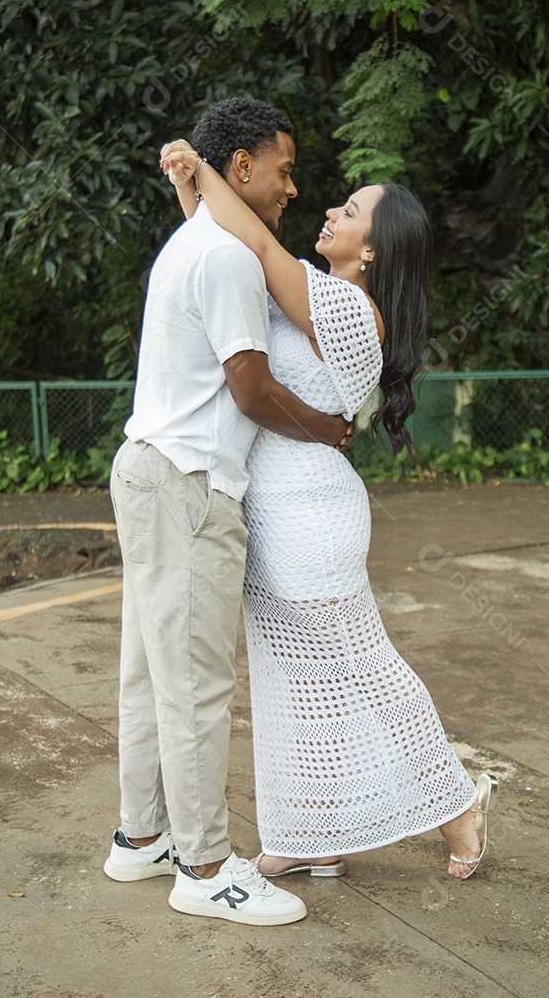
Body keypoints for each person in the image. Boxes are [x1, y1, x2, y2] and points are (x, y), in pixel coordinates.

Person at [159, 134, 498, 882]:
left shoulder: (349, 309)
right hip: (273, 510)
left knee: (363, 667)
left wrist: (205, 163)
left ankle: (459, 807)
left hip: (311, 516)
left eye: (349, 212)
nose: (330, 213)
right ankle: (308, 832)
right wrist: (190, 186)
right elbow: (225, 248)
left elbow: (248, 232)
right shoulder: (311, 287)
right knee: (291, 682)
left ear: (371, 253)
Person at [104, 98, 353, 928]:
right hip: (186, 487)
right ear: (238, 168)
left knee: (151, 676)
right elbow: (249, 388)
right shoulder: (229, 259)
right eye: (282, 169)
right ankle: (205, 866)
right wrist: (326, 430)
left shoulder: (195, 241)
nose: (291, 188)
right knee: (197, 686)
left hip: (148, 472)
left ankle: (142, 838)